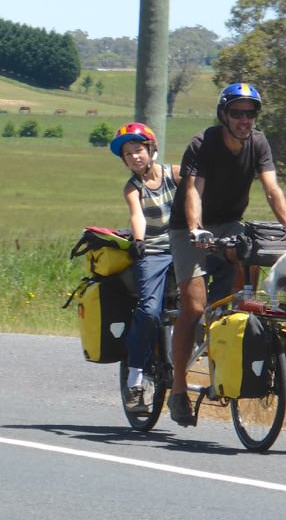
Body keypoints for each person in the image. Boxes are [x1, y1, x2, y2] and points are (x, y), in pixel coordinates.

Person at [166, 82, 286, 426]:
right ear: (223, 114)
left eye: (250, 113)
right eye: (237, 113)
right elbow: (194, 191)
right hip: (189, 228)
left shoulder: (259, 143)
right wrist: (196, 229)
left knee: (245, 296)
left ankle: (226, 357)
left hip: (230, 223)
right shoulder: (203, 143)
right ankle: (178, 388)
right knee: (194, 306)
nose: (245, 120)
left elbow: (272, 188)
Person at [109, 122, 180, 413]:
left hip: (184, 248)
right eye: (128, 154)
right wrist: (138, 240)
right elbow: (137, 214)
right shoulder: (132, 187)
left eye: (138, 150)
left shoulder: (175, 174)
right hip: (153, 251)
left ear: (152, 149)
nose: (134, 157)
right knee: (149, 311)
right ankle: (135, 379)